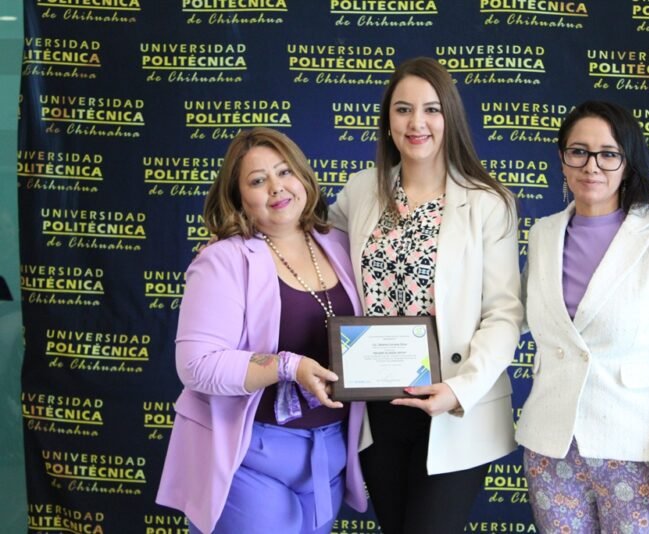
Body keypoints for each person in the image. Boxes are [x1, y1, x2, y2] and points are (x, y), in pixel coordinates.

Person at [329, 57, 524, 534]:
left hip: (452, 404)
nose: (417, 123)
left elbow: (504, 314)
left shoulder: (488, 202)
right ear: (388, 121)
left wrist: (461, 389)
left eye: (431, 109)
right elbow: (309, 247)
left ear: (449, 117)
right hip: (376, 405)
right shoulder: (361, 190)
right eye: (403, 110)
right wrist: (239, 243)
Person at [156, 128, 368, 534]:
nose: (276, 187)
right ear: (239, 198)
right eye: (257, 180)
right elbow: (196, 365)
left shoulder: (341, 244)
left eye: (285, 172)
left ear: (303, 177)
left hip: (329, 455)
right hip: (249, 455)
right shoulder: (222, 260)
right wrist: (288, 366)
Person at [515, 100, 649, 533]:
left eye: (608, 154)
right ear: (563, 160)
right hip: (552, 450)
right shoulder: (543, 234)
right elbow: (514, 316)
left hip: (639, 453)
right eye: (578, 152)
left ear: (627, 161)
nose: (592, 166)